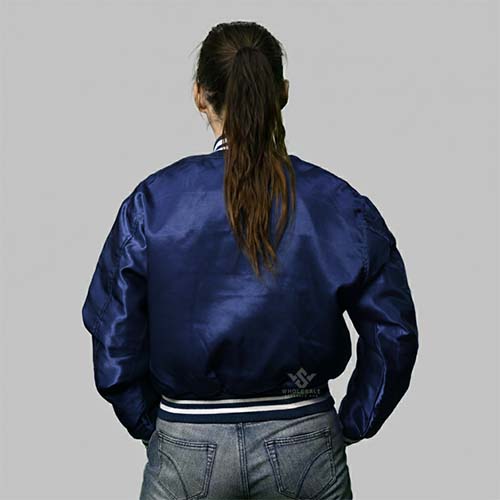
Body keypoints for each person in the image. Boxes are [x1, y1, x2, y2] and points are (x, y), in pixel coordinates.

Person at [81, 20, 419, 500]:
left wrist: (153, 426)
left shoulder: (153, 204)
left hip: (187, 439)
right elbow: (394, 332)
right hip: (303, 435)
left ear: (200, 96)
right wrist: (351, 422)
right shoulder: (340, 206)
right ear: (282, 93)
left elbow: (113, 331)